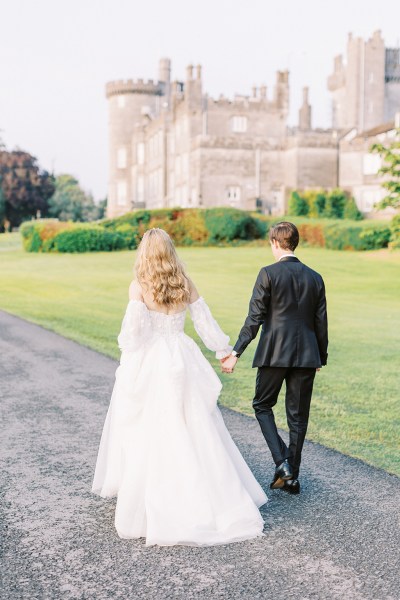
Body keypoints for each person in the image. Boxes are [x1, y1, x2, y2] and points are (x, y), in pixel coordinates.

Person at [92, 228, 267, 546]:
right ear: (170, 252)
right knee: (194, 424)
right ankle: (208, 495)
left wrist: (131, 355)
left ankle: (155, 500)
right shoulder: (184, 283)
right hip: (182, 358)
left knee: (151, 427)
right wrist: (223, 351)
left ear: (144, 253)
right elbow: (204, 323)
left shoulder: (139, 287)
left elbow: (132, 335)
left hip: (154, 360)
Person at [222, 222, 328, 495]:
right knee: (298, 417)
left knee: (261, 405)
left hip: (273, 353)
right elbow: (321, 322)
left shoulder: (267, 273)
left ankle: (283, 463)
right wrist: (320, 356)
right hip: (306, 355)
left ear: (275, 243)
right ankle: (291, 476)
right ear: (295, 243)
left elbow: (254, 317)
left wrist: (236, 353)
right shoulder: (315, 277)